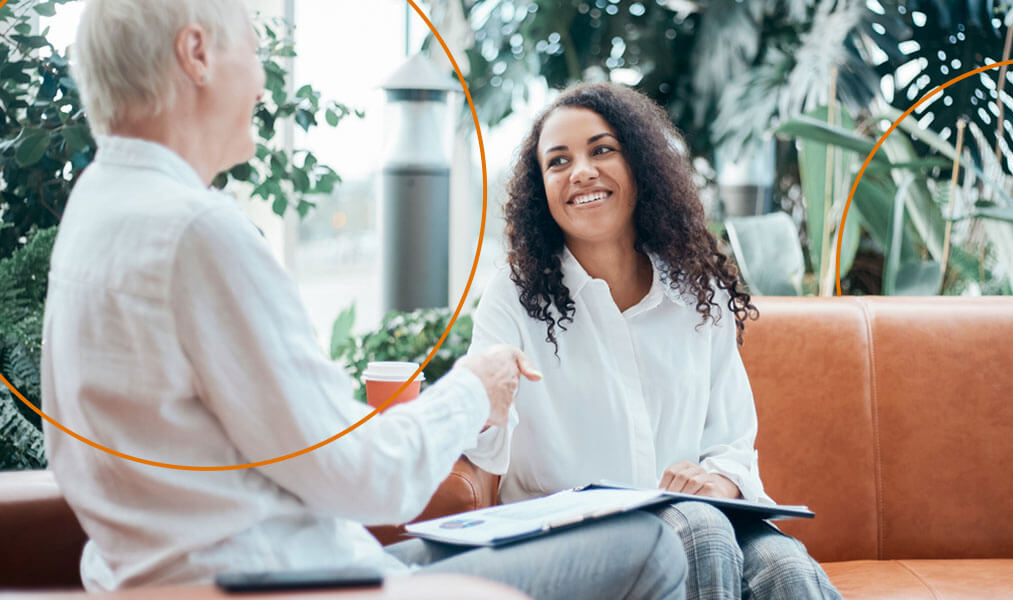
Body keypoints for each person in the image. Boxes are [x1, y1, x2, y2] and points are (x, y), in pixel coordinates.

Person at [41, 1, 685, 597]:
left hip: (217, 572)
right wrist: (472, 391)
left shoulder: (96, 211)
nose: (263, 84)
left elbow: (296, 447)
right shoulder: (197, 232)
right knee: (650, 544)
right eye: (255, 51)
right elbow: (366, 479)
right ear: (197, 54)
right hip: (284, 582)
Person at [464, 82, 843, 600]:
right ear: (540, 190)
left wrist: (719, 483)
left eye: (602, 150)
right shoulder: (513, 296)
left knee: (782, 564)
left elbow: (732, 438)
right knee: (701, 528)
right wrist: (485, 398)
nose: (581, 172)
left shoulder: (698, 291)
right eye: (558, 162)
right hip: (573, 537)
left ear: (639, 165)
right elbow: (484, 448)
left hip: (702, 519)